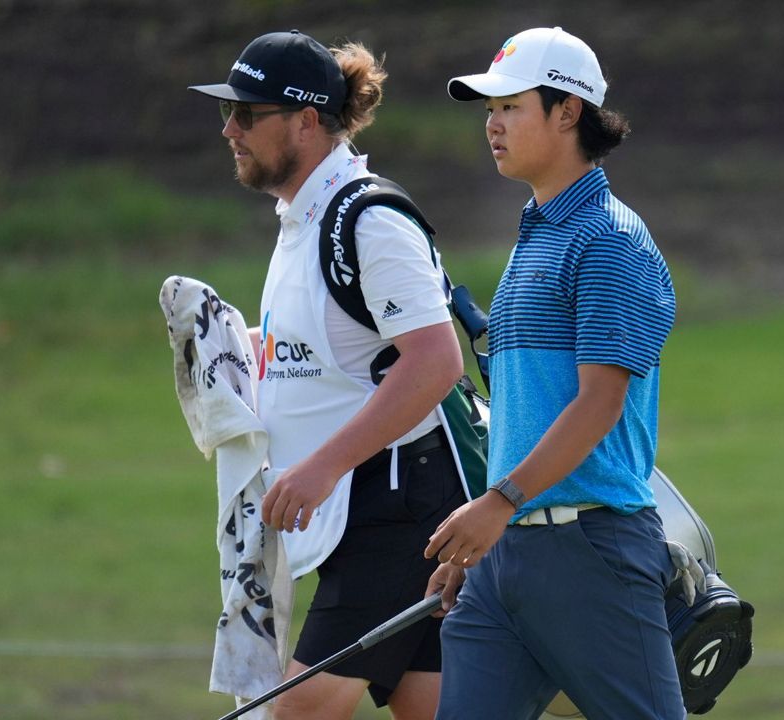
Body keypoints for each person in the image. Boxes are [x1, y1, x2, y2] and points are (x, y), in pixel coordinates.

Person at [188, 30, 466, 720]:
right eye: (229, 113)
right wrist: (239, 349)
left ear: (307, 121)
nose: (230, 130)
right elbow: (333, 353)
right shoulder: (303, 220)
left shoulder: (367, 220)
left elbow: (434, 363)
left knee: (299, 711)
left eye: (248, 115)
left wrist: (322, 467)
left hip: (396, 506)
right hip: (365, 508)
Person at [425, 27, 685, 720]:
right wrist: (487, 532)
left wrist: (499, 502)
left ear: (567, 112)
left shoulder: (608, 240)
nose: (492, 125)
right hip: (508, 559)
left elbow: (599, 405)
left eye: (510, 107)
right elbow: (530, 408)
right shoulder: (539, 231)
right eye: (489, 110)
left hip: (592, 552)